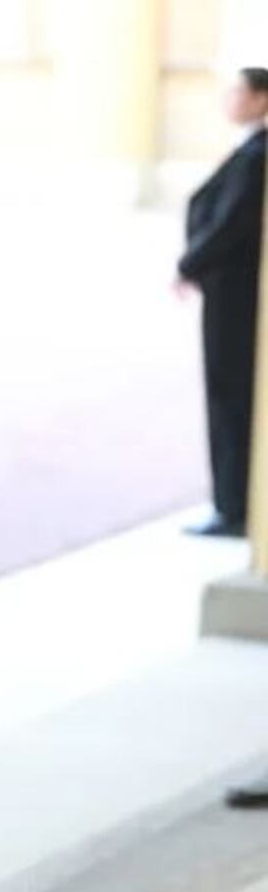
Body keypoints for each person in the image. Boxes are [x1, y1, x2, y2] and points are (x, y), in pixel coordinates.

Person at [176, 66, 268, 538]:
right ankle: (231, 502)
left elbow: (231, 223)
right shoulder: (251, 151)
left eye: (238, 91)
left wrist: (188, 263)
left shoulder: (258, 156)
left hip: (236, 294)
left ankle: (233, 506)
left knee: (230, 395)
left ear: (261, 99)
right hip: (230, 288)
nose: (229, 100)